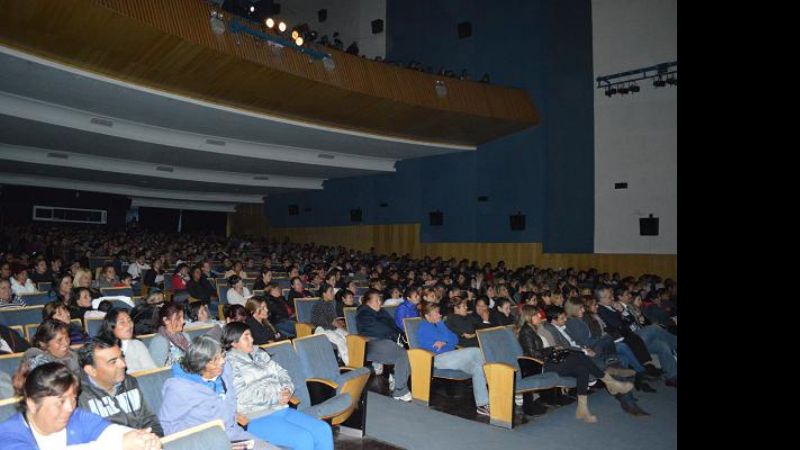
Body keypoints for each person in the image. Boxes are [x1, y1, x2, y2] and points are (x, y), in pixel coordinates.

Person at [0, 361, 162, 449]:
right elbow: (116, 443)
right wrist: (118, 445)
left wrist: (142, 439)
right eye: (61, 402)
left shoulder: (75, 417)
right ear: (32, 404)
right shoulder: (8, 435)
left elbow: (113, 432)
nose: (70, 407)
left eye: (73, 398)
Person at [223, 323, 333, 450]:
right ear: (233, 342)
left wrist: (287, 390)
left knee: (323, 429)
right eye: (246, 337)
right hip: (257, 417)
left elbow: (283, 373)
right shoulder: (229, 363)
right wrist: (276, 397)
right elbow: (242, 396)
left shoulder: (259, 354)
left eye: (251, 335)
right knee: (303, 438)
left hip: (281, 409)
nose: (252, 339)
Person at [158, 336, 279, 450]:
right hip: (205, 444)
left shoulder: (225, 371)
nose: (222, 361)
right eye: (216, 359)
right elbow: (167, 427)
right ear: (202, 364)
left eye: (222, 355)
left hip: (234, 436)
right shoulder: (179, 388)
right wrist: (211, 439)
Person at [515, 305, 633, 423]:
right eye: (536, 314)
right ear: (529, 317)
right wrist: (552, 349)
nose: (539, 316)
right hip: (540, 366)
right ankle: (609, 382)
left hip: (545, 362)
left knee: (582, 369)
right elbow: (533, 354)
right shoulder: (526, 331)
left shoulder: (531, 329)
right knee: (579, 356)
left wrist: (553, 348)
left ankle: (583, 409)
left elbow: (538, 351)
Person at [77, 337, 164, 435]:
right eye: (113, 362)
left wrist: (152, 439)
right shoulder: (78, 397)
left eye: (121, 357)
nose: (123, 364)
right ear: (91, 370)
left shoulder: (129, 382)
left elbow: (150, 420)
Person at [417, 302, 490, 416]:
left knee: (478, 368)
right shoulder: (424, 328)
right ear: (427, 316)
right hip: (437, 359)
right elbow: (441, 345)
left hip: (451, 357)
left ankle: (482, 404)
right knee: (476, 351)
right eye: (436, 313)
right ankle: (494, 384)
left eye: (438, 312)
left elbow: (455, 339)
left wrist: (445, 341)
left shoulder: (438, 325)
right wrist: (444, 335)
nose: (439, 315)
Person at [355, 289, 412, 401]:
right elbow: (376, 329)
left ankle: (397, 378)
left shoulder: (381, 312)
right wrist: (393, 335)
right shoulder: (363, 313)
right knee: (401, 354)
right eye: (376, 300)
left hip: (385, 341)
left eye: (380, 300)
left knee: (410, 353)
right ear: (368, 302)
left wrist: (400, 335)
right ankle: (400, 391)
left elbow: (393, 325)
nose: (379, 302)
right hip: (371, 343)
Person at [97, 309, 157, 373]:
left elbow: (152, 371)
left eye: (129, 320)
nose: (129, 325)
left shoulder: (137, 345)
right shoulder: (103, 348)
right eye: (122, 322)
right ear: (111, 327)